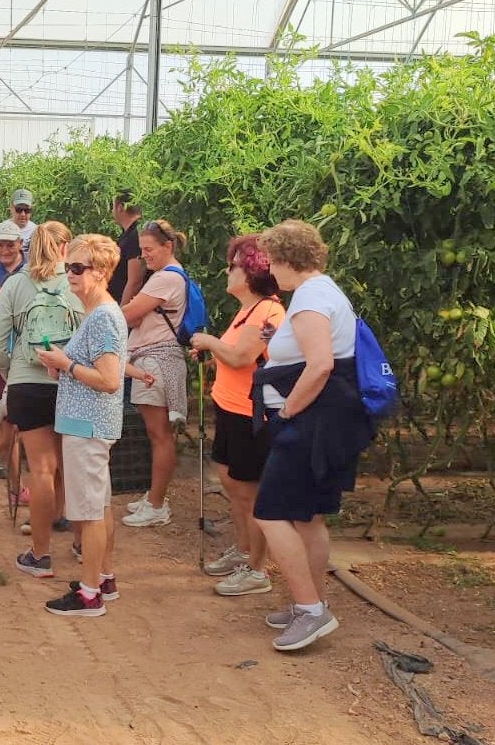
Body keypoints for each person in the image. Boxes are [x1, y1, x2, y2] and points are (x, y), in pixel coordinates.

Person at [252, 220, 372, 651]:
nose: (270, 270)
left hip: (313, 421)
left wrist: (288, 409)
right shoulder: (322, 292)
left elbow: (320, 364)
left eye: (271, 261)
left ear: (286, 259)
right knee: (307, 516)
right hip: (330, 418)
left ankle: (310, 609)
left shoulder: (309, 298)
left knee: (270, 511)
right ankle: (312, 601)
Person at [34, 234, 128, 615]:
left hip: (88, 426)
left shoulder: (103, 316)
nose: (69, 275)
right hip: (86, 423)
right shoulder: (98, 313)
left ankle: (90, 594)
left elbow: (109, 379)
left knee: (88, 512)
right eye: (66, 267)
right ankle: (102, 577)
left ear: (102, 272)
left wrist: (65, 365)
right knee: (98, 506)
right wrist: (65, 366)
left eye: (77, 268)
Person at [188, 235, 286, 596]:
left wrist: (210, 342)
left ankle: (257, 569)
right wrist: (212, 353)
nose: (227, 272)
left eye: (233, 266)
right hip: (231, 407)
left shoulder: (268, 312)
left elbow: (243, 356)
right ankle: (244, 550)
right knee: (233, 484)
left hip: (250, 414)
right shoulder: (248, 310)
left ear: (249, 272)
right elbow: (235, 354)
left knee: (250, 491)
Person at [0, 222, 82, 578]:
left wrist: (10, 372)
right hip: (72, 381)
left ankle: (40, 555)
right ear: (65, 248)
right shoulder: (77, 281)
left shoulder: (16, 284)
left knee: (41, 469)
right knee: (71, 465)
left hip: (28, 383)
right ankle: (80, 541)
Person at [121, 219, 191, 528]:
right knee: (156, 434)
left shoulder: (165, 279)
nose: (144, 256)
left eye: (149, 250)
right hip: (155, 357)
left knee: (159, 435)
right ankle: (154, 496)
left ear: (168, 247)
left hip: (155, 359)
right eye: (141, 250)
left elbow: (127, 314)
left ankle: (157, 503)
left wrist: (131, 283)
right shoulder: (166, 277)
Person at [108, 191, 145, 305]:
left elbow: (135, 280)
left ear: (120, 207)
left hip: (127, 308)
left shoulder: (136, 234)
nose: (112, 211)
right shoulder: (128, 234)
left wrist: (122, 314)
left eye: (112, 206)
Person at [0, 188, 37, 256]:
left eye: (27, 210)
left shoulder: (37, 231)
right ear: (11, 208)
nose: (23, 214)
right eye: (19, 209)